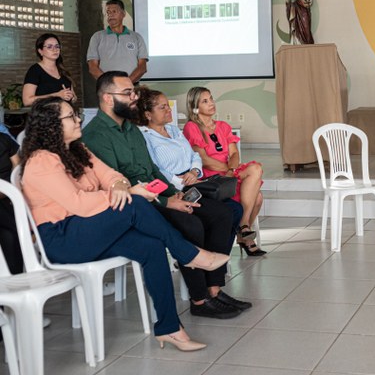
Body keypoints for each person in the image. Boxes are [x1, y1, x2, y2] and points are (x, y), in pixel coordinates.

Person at [20, 97, 229, 351]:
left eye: (76, 115)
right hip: (62, 239)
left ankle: (170, 329)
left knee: (151, 247)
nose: (78, 120)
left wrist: (121, 186)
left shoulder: (77, 149)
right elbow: (80, 204)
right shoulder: (42, 160)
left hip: (88, 228)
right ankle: (188, 253)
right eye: (71, 117)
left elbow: (110, 175)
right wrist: (127, 194)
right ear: (51, 125)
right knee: (135, 204)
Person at [81, 72, 250, 318]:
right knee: (192, 225)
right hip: (135, 203)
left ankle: (214, 289)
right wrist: (166, 201)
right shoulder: (96, 135)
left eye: (134, 92)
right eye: (128, 93)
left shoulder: (131, 129)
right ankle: (199, 300)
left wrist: (175, 195)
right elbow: (118, 183)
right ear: (107, 98)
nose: (134, 98)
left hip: (160, 193)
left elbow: (152, 170)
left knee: (222, 213)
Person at [134, 86, 245, 249]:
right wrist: (180, 182)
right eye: (162, 107)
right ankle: (206, 257)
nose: (168, 110)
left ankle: (218, 257)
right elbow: (154, 167)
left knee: (235, 209)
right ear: (148, 114)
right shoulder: (145, 136)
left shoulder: (173, 130)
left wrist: (194, 171)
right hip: (175, 187)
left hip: (194, 180)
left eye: (168, 105)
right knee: (222, 213)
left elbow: (194, 155)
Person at [183, 87, 266, 256]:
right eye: (205, 101)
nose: (212, 103)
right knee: (257, 198)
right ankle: (245, 236)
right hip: (210, 177)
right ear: (195, 106)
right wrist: (227, 170)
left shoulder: (223, 126)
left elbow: (234, 153)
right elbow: (204, 160)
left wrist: (232, 170)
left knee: (256, 168)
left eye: (211, 99)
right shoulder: (192, 127)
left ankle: (243, 227)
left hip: (229, 171)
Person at [87, 0, 148, 83]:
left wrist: (126, 84)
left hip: (132, 87)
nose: (110, 15)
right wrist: (110, 84)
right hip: (107, 88)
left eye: (114, 11)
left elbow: (142, 67)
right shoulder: (97, 37)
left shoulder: (137, 37)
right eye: (108, 12)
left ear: (123, 13)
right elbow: (93, 68)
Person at [22, 33, 77, 106]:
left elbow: (74, 97)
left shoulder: (63, 70)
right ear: (40, 51)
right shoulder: (35, 70)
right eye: (49, 47)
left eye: (57, 46)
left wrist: (72, 97)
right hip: (45, 116)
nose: (55, 50)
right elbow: (27, 101)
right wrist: (57, 95)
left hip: (65, 115)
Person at [0, 129, 21, 275]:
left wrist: (10, 188)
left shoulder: (3, 139)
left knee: (8, 233)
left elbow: (17, 167)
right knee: (9, 231)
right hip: (8, 198)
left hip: (10, 196)